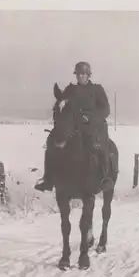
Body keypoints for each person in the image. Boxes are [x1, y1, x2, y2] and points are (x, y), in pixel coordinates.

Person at [34, 61, 114, 192]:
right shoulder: (70, 89)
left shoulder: (97, 90)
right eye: (78, 74)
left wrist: (90, 117)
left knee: (98, 146)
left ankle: (105, 178)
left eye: (83, 74)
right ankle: (47, 178)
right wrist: (60, 99)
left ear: (88, 75)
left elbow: (105, 110)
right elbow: (62, 103)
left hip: (93, 126)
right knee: (52, 141)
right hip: (73, 126)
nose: (80, 77)